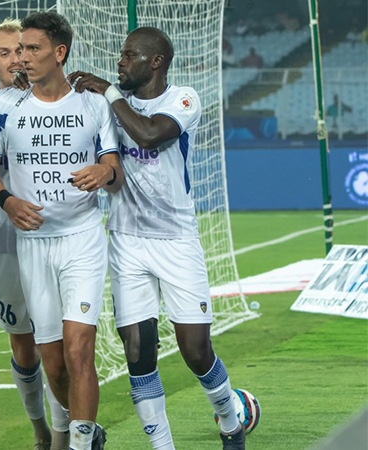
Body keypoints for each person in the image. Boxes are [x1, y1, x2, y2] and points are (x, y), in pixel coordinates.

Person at [67, 26, 246, 449]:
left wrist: (109, 93)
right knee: (137, 352)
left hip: (176, 240)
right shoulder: (110, 105)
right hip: (127, 240)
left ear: (156, 62)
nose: (120, 61)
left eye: (130, 55)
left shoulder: (183, 99)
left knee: (196, 351)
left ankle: (230, 420)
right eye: (121, 54)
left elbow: (149, 133)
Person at [0, 11, 123, 450]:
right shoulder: (7, 106)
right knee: (53, 363)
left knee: (79, 349)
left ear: (59, 53)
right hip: (32, 245)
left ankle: (78, 443)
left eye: (32, 48)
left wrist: (103, 172)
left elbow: (114, 167)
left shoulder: (92, 105)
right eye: (20, 49)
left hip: (82, 239)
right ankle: (88, 432)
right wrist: (7, 200)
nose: (23, 57)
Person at [0, 19, 68, 450]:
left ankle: (64, 435)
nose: (15, 59)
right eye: (4, 54)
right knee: (23, 345)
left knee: (57, 343)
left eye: (20, 50)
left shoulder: (52, 96)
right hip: (6, 242)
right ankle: (40, 428)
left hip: (53, 235)